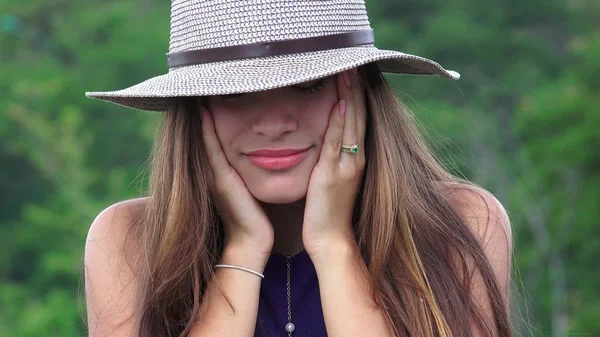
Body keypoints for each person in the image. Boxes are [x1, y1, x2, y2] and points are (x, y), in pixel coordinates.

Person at [83, 1, 512, 336]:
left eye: (307, 85)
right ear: (193, 109)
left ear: (360, 91)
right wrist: (244, 249)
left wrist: (332, 244)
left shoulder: (463, 223)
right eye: (235, 93)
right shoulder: (128, 240)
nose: (274, 124)